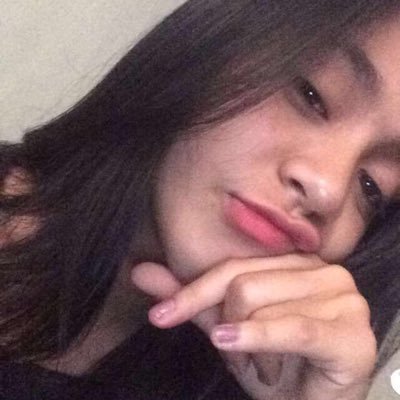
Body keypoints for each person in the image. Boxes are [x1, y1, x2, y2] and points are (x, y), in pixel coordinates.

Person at [1, 1, 400, 399]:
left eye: (372, 187)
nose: (328, 189)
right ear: (213, 48)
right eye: (311, 95)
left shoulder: (255, 382)